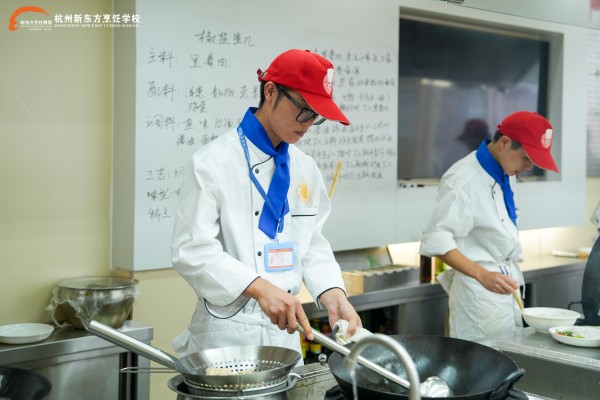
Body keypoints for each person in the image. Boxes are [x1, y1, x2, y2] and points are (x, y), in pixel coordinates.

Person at [171, 49, 361, 359]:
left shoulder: (305, 168)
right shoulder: (212, 163)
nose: (308, 124)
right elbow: (192, 251)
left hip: (285, 333)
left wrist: (333, 294)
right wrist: (260, 288)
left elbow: (312, 243)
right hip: (228, 334)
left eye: (316, 116)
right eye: (304, 110)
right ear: (270, 92)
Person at [420, 111, 559, 341]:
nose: (529, 167)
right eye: (526, 158)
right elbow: (437, 240)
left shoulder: (506, 171)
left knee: (509, 357)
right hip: (478, 295)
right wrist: (482, 275)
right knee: (478, 360)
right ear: (505, 143)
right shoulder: (463, 178)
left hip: (504, 288)